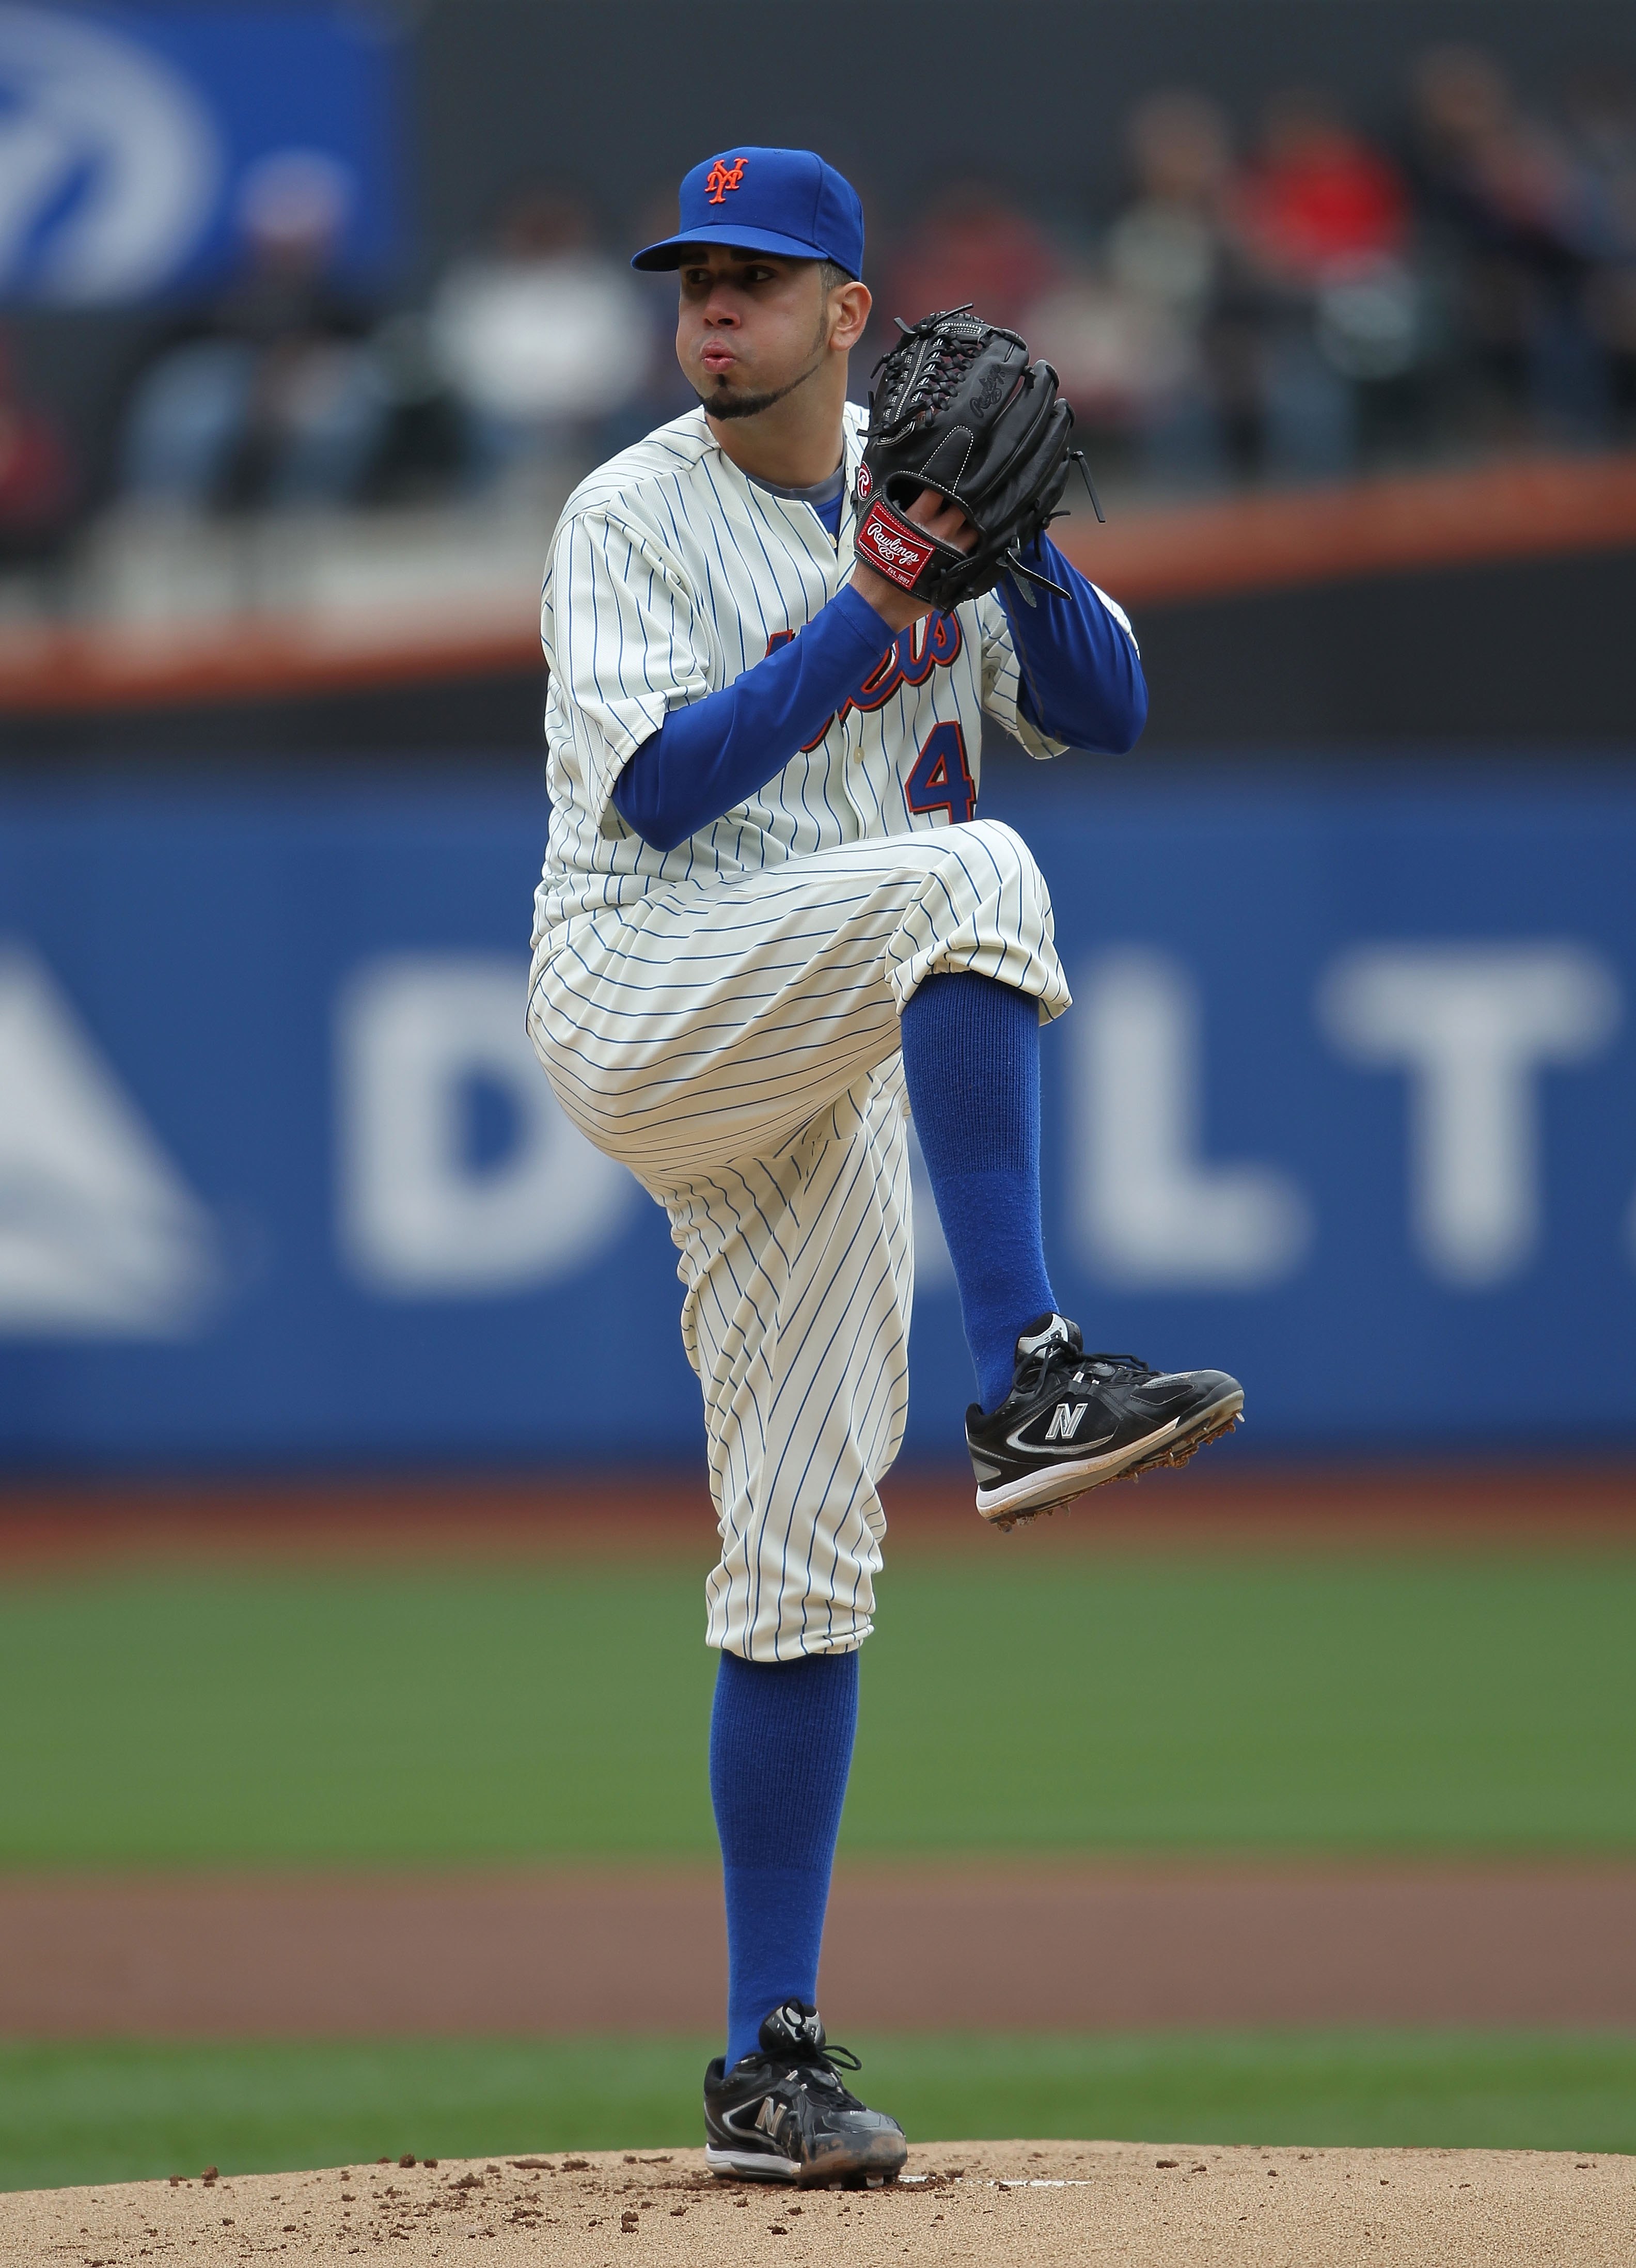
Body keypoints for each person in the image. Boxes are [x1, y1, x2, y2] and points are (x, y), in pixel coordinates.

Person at [525, 147, 1242, 2187]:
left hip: (814, 1048)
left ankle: (770, 2058)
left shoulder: (915, 488)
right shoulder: (630, 514)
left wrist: (999, 552)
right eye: (694, 282)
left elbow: (1108, 705)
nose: (713, 313)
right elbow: (665, 792)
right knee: (973, 870)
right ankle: (1030, 1365)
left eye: (758, 281)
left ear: (852, 310)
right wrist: (877, 602)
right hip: (647, 991)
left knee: (803, 1547)